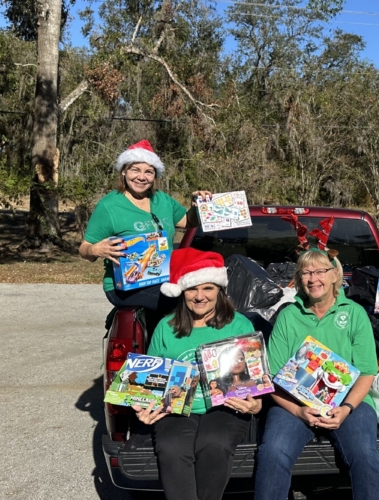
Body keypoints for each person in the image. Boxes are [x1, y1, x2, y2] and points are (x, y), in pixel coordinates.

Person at [255, 248, 379, 500]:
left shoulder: (355, 313)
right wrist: (298, 411)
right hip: (294, 403)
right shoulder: (288, 316)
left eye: (320, 271)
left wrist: (346, 408)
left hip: (349, 403)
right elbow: (273, 378)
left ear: (335, 274)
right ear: (299, 278)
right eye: (306, 272)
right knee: (272, 451)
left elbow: (367, 372)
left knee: (364, 453)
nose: (314, 279)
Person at [132, 247, 261, 500]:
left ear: (219, 291)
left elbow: (253, 378)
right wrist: (142, 406)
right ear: (182, 291)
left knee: (214, 444)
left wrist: (256, 405)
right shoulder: (165, 328)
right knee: (171, 447)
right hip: (177, 408)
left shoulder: (240, 325)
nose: (200, 296)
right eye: (193, 288)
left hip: (225, 406)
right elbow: (149, 381)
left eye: (208, 288)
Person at [78, 139, 212, 312]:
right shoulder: (109, 206)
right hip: (125, 287)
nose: (142, 177)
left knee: (204, 296)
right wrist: (95, 250)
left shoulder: (162, 199)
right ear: (124, 172)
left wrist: (197, 206)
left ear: (154, 176)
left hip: (163, 278)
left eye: (149, 172)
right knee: (182, 304)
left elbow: (188, 222)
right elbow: (84, 249)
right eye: (135, 170)